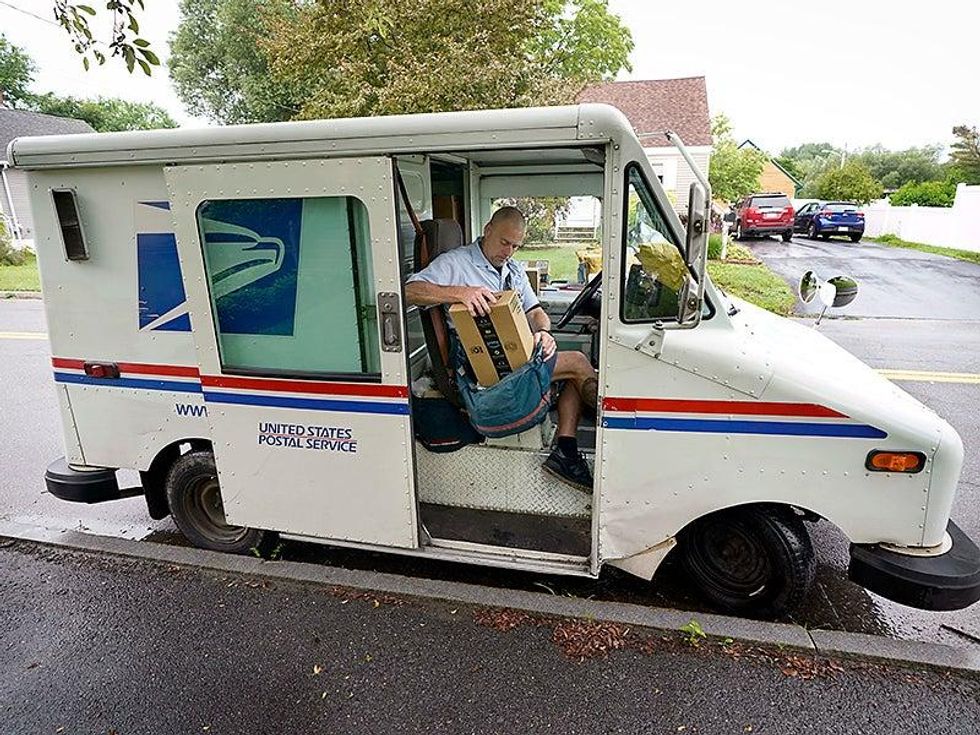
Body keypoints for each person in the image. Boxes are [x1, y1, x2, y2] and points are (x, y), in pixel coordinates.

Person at [405, 207, 598, 492]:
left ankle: (566, 450)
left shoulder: (513, 269)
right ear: (488, 230)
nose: (509, 251)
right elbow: (409, 290)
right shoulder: (457, 263)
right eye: (504, 242)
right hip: (480, 366)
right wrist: (461, 293)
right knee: (580, 363)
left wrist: (543, 332)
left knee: (571, 368)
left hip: (513, 356)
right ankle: (620, 424)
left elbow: (535, 311)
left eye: (516, 246)